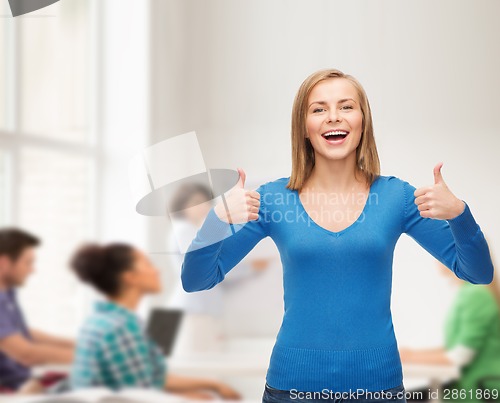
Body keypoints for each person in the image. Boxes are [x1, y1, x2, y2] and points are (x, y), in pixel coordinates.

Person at [180, 68, 494, 403]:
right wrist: (216, 220)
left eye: (346, 107)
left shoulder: (397, 198)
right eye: (318, 109)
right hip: (291, 388)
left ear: (363, 121)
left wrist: (460, 214)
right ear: (304, 126)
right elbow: (196, 279)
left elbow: (477, 272)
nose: (333, 117)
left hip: (378, 390)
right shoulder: (272, 200)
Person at [69, 242, 242, 400]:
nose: (157, 271)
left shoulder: (106, 320)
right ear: (130, 277)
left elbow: (149, 379)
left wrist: (211, 385)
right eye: (147, 264)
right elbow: (139, 394)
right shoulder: (120, 327)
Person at [167, 182, 270, 356]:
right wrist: (251, 267)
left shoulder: (192, 231)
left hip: (196, 313)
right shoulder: (184, 229)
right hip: (193, 313)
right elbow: (205, 267)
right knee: (197, 370)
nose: (204, 207)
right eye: (197, 201)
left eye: (206, 201)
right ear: (182, 205)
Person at [400, 255, 500, 403]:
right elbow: (455, 348)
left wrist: (410, 358)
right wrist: (411, 354)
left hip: (479, 391)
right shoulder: (469, 292)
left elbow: (459, 357)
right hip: (466, 388)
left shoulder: (476, 294)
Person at [0, 228, 75, 394]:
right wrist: (90, 357)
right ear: (4, 263)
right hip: (10, 391)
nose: (32, 270)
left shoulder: (7, 294)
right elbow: (26, 354)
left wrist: (79, 344)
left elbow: (21, 333)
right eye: (27, 263)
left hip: (24, 383)